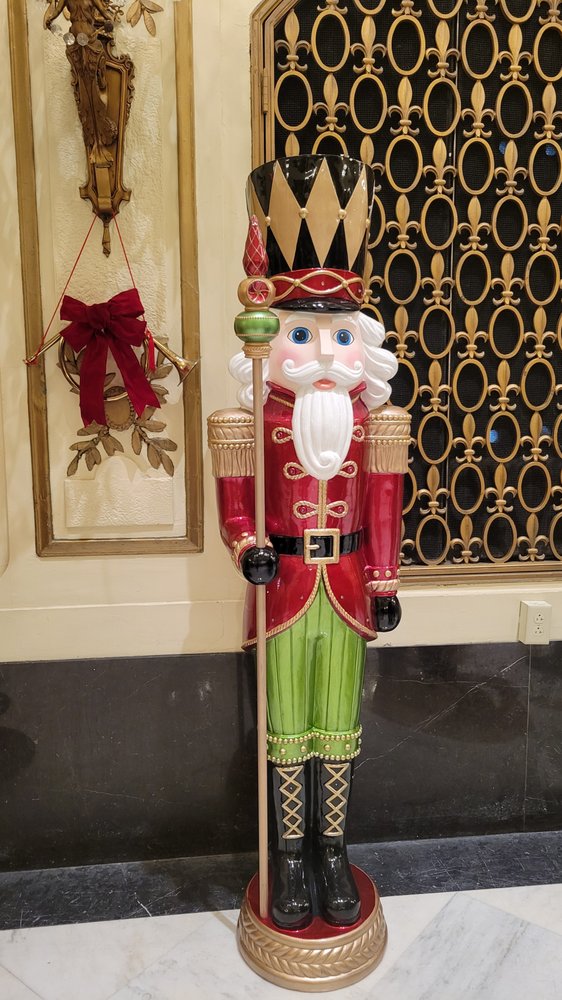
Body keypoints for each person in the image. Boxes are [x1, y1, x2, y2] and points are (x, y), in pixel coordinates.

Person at [208, 155, 409, 930]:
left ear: (363, 344)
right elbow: (236, 511)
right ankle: (289, 855)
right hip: (284, 589)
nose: (322, 353)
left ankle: (333, 849)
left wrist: (385, 581)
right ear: (269, 338)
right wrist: (247, 548)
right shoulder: (248, 422)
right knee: (287, 725)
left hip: (349, 586)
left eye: (337, 336)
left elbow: (385, 509)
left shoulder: (376, 424)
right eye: (300, 333)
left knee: (338, 724)